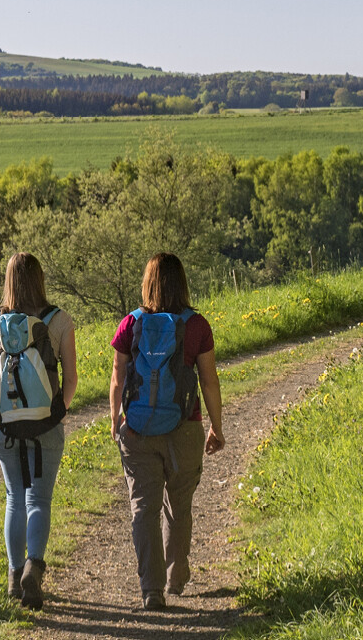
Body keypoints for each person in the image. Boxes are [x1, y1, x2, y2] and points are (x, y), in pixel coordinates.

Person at [108, 252, 224, 611]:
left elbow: (118, 378)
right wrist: (216, 427)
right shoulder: (197, 325)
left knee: (144, 508)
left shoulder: (131, 323)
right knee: (179, 505)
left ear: (148, 283)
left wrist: (115, 420)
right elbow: (209, 381)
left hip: (137, 430)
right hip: (184, 427)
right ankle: (175, 577)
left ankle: (152, 589)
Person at [0, 252, 77, 609]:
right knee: (40, 499)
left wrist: (3, 411)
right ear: (40, 279)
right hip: (47, 423)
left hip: (6, 426)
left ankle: (13, 577)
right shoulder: (59, 320)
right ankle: (34, 566)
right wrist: (57, 413)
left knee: (15, 497)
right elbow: (71, 378)